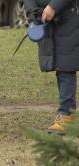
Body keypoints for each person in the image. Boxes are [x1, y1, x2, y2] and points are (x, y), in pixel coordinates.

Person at [22, 0, 79, 132]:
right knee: (61, 66)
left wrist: (53, 6)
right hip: (45, 19)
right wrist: (32, 11)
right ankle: (68, 115)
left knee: (66, 66)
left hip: (69, 17)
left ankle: (66, 115)